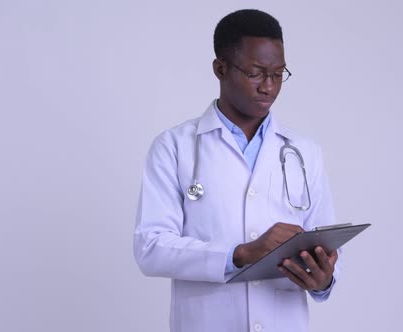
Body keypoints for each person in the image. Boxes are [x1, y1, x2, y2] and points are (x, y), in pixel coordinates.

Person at [134, 9, 341, 332]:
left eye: (278, 74)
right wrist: (239, 254)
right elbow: (151, 248)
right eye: (256, 73)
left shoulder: (304, 151)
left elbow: (325, 243)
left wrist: (323, 280)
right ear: (221, 69)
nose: (269, 87)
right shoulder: (174, 147)